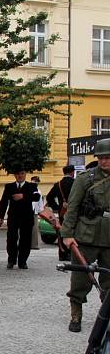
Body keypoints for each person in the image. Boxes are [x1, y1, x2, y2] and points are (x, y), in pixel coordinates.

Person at [60, 139, 110, 332]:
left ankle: (106, 318)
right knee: (80, 278)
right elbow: (72, 208)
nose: (104, 162)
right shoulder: (85, 179)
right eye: (101, 158)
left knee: (109, 280)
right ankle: (76, 315)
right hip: (86, 235)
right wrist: (67, 234)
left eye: (107, 158)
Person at [0, 171, 40, 269]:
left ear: (25, 175)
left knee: (25, 239)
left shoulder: (31, 186)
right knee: (11, 238)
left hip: (27, 217)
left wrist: (23, 196)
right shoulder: (9, 186)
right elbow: (4, 202)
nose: (20, 176)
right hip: (13, 216)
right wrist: (1, 216)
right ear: (15, 175)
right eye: (17, 174)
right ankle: (11, 260)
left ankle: (23, 261)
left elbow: (37, 197)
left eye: (22, 173)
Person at [29, 176, 45, 250]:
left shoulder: (39, 191)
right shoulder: (28, 189)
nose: (35, 183)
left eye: (37, 182)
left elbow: (40, 202)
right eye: (34, 181)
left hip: (35, 211)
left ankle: (34, 245)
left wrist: (41, 211)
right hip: (27, 211)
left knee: (35, 229)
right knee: (27, 228)